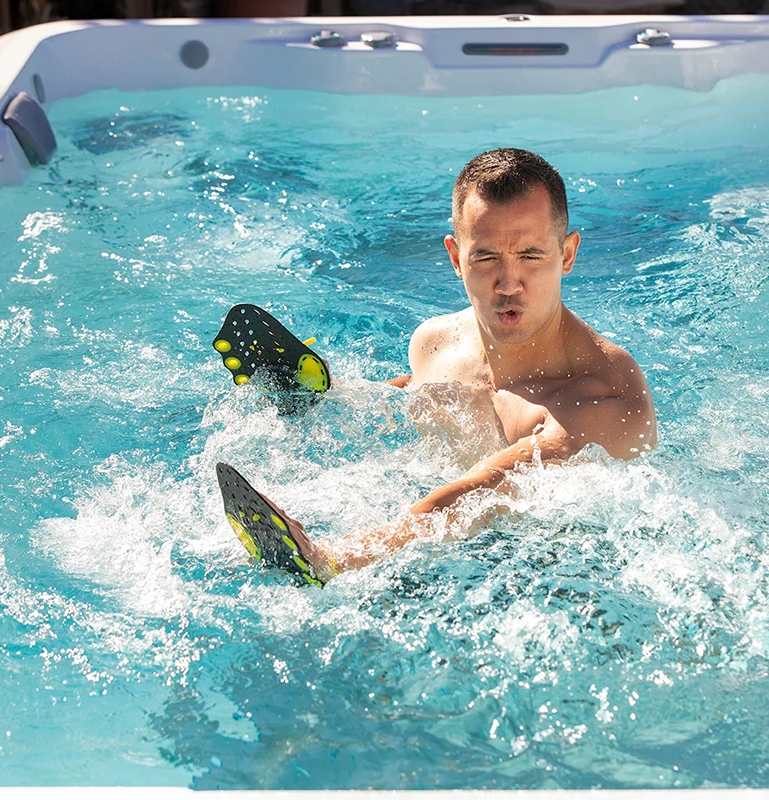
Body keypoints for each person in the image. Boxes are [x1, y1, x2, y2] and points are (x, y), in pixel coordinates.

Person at [235, 148, 657, 582]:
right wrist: (341, 400)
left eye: (530, 256)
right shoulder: (436, 345)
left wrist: (337, 558)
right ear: (456, 258)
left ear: (567, 254)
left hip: (564, 571)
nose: (509, 283)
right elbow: (421, 395)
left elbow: (483, 489)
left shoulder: (606, 400)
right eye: (486, 257)